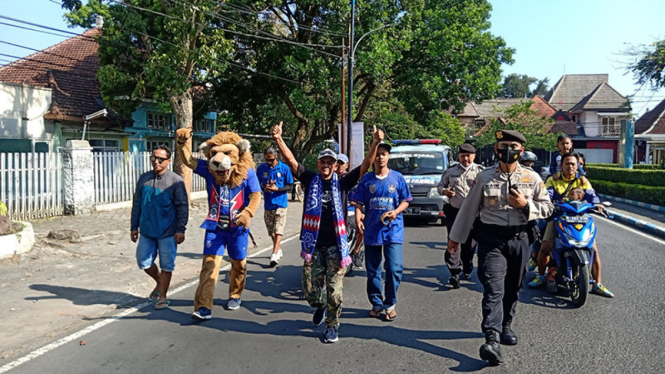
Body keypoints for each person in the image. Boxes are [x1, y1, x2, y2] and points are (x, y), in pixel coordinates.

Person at [448, 130, 553, 365]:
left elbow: (548, 208)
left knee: (513, 286)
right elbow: (468, 210)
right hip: (491, 239)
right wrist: (455, 239)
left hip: (520, 238)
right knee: (493, 288)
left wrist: (526, 205)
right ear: (496, 149)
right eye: (503, 145)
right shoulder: (484, 178)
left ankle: (506, 324)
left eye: (513, 145)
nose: (508, 150)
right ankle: (492, 339)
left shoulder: (532, 178)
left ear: (521, 150)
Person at [271, 121, 382, 343]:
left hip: (336, 246)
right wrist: (278, 139)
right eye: (323, 161)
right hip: (313, 245)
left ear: (335, 165)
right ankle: (320, 305)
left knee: (335, 291)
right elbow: (291, 161)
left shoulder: (342, 183)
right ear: (318, 163)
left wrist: (376, 143)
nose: (326, 165)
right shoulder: (310, 178)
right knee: (310, 290)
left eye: (330, 162)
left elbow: (365, 166)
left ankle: (332, 326)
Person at [175, 129, 261, 320]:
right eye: (214, 153)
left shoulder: (247, 172)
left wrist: (248, 213)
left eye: (227, 153)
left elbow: (256, 195)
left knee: (239, 264)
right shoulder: (209, 169)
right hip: (215, 228)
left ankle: (235, 293)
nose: (219, 158)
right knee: (209, 265)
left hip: (238, 229)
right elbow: (189, 161)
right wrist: (182, 144)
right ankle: (204, 307)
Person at [528, 153, 614, 297]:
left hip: (580, 218)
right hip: (557, 218)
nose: (570, 167)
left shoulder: (582, 181)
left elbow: (592, 195)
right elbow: (547, 195)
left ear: (578, 166)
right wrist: (551, 203)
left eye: (574, 164)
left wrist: (598, 204)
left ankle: (598, 284)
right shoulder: (552, 180)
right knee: (546, 246)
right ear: (561, 165)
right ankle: (541, 275)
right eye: (567, 164)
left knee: (593, 248)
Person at [353, 142, 412, 321]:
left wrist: (396, 211)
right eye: (377, 154)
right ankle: (377, 303)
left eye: (384, 154)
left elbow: (406, 200)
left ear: (388, 156)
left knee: (394, 268)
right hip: (372, 230)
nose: (380, 157)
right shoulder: (367, 180)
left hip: (393, 231)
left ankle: (390, 303)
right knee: (373, 270)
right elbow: (358, 202)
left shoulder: (397, 178)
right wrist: (358, 217)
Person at [130, 145, 189, 310]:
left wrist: (180, 229)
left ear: (168, 161)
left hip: (168, 232)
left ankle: (162, 296)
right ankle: (159, 282)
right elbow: (137, 204)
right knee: (143, 261)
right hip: (147, 230)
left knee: (167, 265)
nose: (156, 162)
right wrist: (134, 226)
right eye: (154, 158)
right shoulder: (144, 179)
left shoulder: (175, 181)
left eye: (160, 159)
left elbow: (182, 207)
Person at [437, 143, 483, 289]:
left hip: (475, 213)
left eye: (469, 156)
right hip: (455, 211)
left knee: (469, 244)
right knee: (454, 241)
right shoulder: (451, 171)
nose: (466, 159)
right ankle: (454, 273)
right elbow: (440, 187)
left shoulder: (481, 172)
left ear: (474, 156)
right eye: (463, 156)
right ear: (458, 156)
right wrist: (445, 192)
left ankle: (467, 267)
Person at [256, 147, 294, 267]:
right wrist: (264, 187)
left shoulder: (284, 168)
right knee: (271, 230)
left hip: (281, 203)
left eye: (271, 160)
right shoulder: (261, 169)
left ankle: (274, 254)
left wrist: (278, 189)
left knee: (279, 228)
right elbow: (257, 184)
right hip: (268, 203)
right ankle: (277, 247)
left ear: (276, 157)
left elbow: (290, 186)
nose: (269, 162)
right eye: (267, 160)